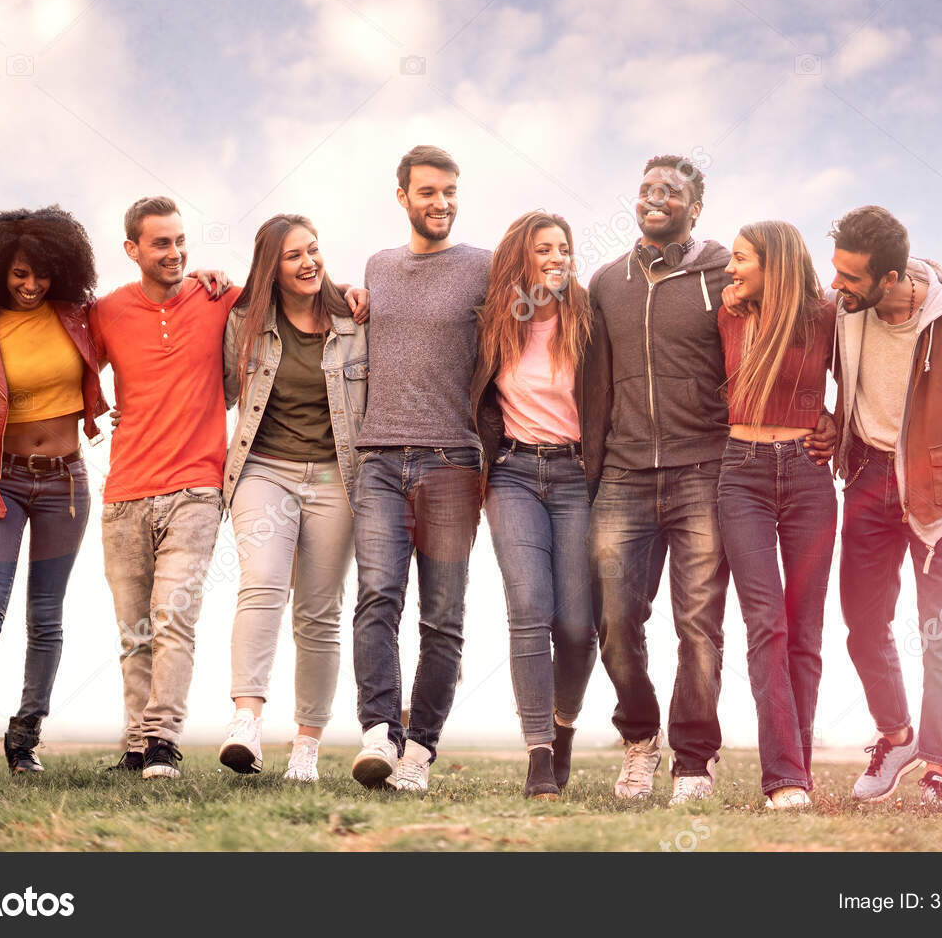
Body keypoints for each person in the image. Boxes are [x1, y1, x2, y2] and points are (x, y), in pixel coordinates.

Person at [584, 155, 834, 805]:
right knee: (614, 617)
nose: (655, 196)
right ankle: (640, 738)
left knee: (700, 625)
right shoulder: (607, 282)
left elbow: (794, 304)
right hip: (624, 475)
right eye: (646, 188)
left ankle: (693, 760)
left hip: (706, 471)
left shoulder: (725, 269)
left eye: (672, 190)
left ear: (696, 208)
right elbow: (593, 381)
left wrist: (818, 415)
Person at [827, 205, 942, 808]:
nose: (837, 286)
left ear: (891, 276)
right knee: (861, 622)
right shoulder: (844, 315)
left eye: (851, 278)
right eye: (837, 272)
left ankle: (937, 764)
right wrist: (832, 427)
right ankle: (897, 734)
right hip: (869, 482)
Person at [350, 144, 491, 793]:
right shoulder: (377, 267)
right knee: (378, 598)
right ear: (402, 196)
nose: (442, 203)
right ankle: (379, 729)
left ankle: (421, 750)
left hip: (452, 462)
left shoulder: (486, 268)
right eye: (429, 191)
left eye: (451, 191)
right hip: (378, 457)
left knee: (442, 617)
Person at [0, 206, 107, 777]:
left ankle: (25, 737)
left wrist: (205, 282)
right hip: (1, 484)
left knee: (46, 615)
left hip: (66, 483)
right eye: (19, 273)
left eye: (41, 273)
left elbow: (149, 316)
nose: (31, 284)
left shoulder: (83, 319)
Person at [90, 196, 239, 779]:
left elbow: (289, 295)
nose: (176, 252)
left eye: (181, 241)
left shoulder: (216, 295)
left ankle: (161, 741)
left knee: (172, 617)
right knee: (134, 632)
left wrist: (355, 296)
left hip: (197, 488)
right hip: (124, 493)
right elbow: (68, 366)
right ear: (132, 250)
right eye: (161, 243)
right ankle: (133, 745)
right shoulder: (107, 313)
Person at [216, 214, 368, 784]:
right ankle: (246, 722)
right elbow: (221, 393)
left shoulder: (354, 319)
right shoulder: (246, 323)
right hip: (264, 471)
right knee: (262, 585)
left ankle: (306, 744)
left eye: (314, 250)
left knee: (319, 614)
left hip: (335, 479)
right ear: (270, 268)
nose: (309, 263)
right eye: (293, 256)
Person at [470, 211, 596, 800]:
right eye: (545, 248)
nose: (557, 257)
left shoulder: (589, 317)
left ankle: (564, 725)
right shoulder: (495, 320)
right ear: (522, 257)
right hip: (514, 473)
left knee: (575, 626)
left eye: (564, 248)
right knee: (529, 607)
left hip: (575, 476)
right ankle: (538, 754)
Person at [715, 221, 838, 809]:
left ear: (776, 264)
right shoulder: (730, 314)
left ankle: (797, 772)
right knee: (767, 623)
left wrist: (835, 419)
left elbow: (858, 379)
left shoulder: (824, 318)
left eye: (741, 259)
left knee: (805, 631)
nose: (732, 269)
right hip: (742, 474)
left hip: (810, 477)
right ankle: (784, 780)